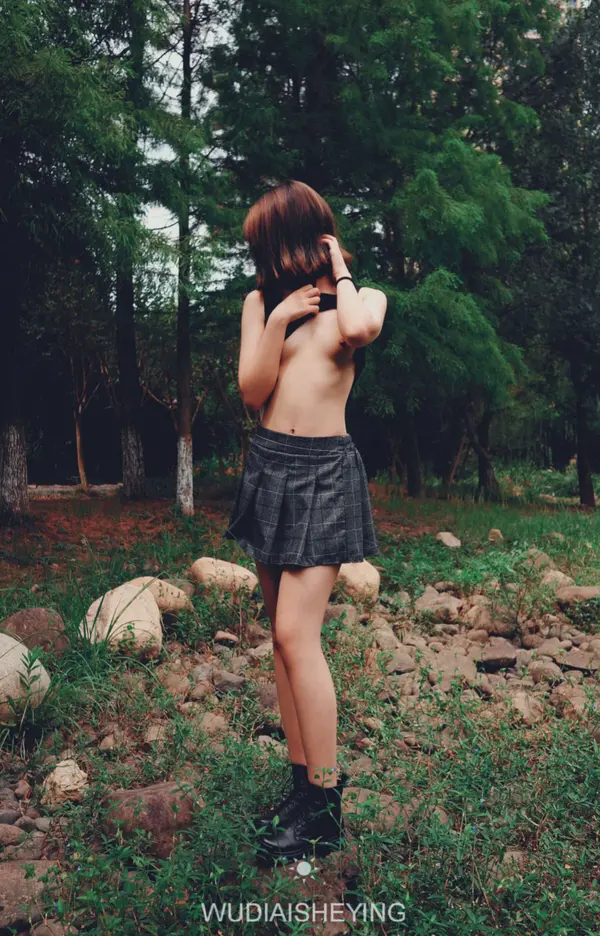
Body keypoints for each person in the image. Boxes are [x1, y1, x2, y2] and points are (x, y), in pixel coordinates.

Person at [222, 179, 387, 865]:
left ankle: (324, 805)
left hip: (324, 474)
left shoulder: (362, 298)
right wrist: (277, 319)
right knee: (282, 641)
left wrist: (338, 264)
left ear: (293, 238)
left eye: (263, 241)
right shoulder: (261, 304)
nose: (257, 254)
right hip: (270, 467)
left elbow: (359, 332)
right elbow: (252, 391)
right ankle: (301, 788)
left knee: (297, 632)